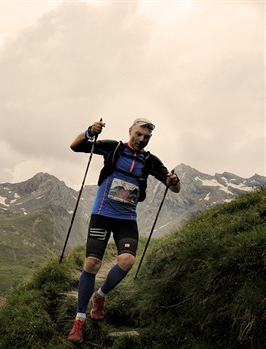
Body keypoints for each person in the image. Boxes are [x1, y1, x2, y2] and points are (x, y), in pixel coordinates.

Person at [67, 118, 181, 343]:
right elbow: (76, 146)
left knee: (127, 261)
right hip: (102, 213)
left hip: (126, 218)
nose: (141, 140)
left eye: (146, 137)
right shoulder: (113, 148)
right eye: (138, 134)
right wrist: (90, 131)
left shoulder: (150, 161)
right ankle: (79, 321)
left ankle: (99, 297)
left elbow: (174, 188)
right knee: (91, 264)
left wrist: (174, 180)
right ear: (130, 131)